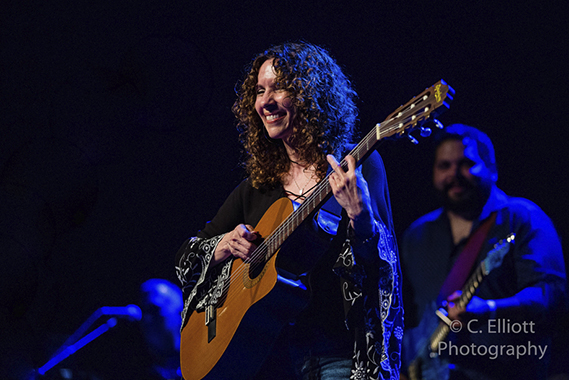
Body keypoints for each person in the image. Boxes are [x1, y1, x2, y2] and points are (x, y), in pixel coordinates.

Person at [175, 42, 403, 379]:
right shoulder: (258, 186)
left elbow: (385, 270)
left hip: (338, 355)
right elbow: (185, 261)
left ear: (312, 94)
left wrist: (361, 218)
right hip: (267, 360)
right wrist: (223, 245)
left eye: (279, 88)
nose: (265, 102)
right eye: (259, 91)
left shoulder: (354, 166)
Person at [399, 124, 567, 380]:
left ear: (492, 169)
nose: (454, 174)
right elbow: (403, 315)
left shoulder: (523, 218)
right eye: (444, 166)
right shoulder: (416, 235)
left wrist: (490, 309)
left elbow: (551, 297)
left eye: (466, 163)